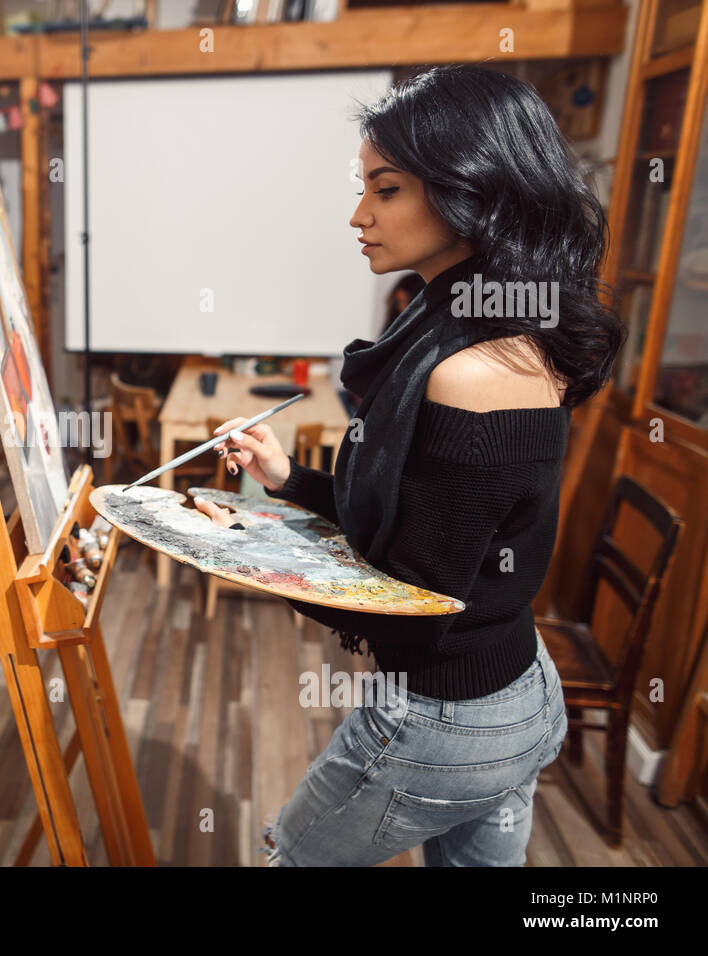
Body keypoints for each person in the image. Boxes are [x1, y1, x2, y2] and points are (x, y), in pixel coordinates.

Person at [199, 65, 624, 866]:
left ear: (472, 188)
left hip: (451, 718)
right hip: (509, 692)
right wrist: (289, 481)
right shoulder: (460, 311)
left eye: (385, 190)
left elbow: (413, 600)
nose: (358, 216)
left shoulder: (478, 368)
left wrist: (244, 552)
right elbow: (412, 517)